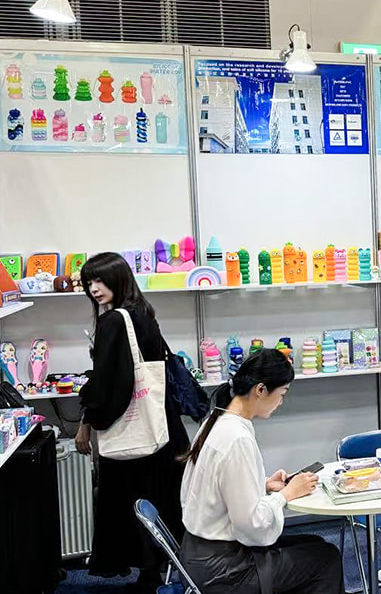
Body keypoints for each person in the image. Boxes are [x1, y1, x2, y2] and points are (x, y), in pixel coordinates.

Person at [179, 349, 344, 594]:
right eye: (282, 394)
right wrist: (285, 495)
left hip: (197, 555)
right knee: (325, 559)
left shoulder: (216, 420)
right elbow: (254, 526)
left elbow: (212, 486)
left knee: (316, 544)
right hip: (223, 571)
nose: (281, 402)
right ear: (260, 390)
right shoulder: (237, 438)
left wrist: (263, 484)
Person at [75, 252, 190, 591]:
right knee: (159, 498)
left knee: (130, 501)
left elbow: (109, 383)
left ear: (118, 279)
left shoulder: (113, 321)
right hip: (160, 424)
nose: (94, 289)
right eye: (89, 283)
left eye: (100, 280)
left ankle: (147, 574)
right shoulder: (144, 313)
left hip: (130, 427)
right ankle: (157, 570)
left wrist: (88, 420)